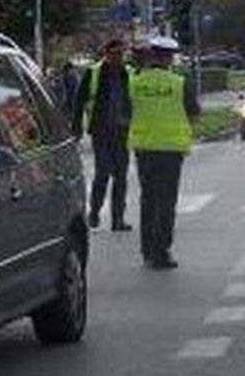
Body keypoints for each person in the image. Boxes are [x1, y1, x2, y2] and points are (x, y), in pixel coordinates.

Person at [128, 36, 200, 269]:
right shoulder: (179, 82)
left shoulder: (135, 82)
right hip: (170, 149)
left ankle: (147, 249)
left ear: (151, 56)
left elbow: (128, 110)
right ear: (169, 58)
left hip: (144, 148)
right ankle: (162, 250)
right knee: (166, 201)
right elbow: (194, 113)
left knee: (148, 199)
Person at [73, 38, 133, 233]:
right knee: (103, 174)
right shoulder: (94, 72)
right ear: (106, 54)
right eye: (114, 53)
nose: (117, 57)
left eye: (120, 54)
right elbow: (79, 100)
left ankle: (118, 219)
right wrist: (77, 127)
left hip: (122, 131)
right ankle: (95, 212)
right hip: (101, 131)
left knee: (121, 177)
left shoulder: (128, 73)